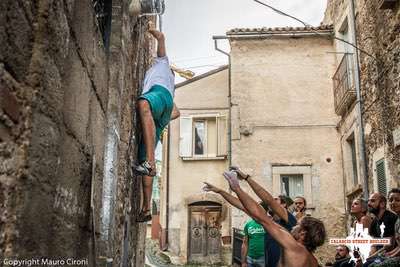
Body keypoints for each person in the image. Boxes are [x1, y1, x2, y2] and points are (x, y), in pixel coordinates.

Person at [222, 170, 325, 267]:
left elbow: (263, 218)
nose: (294, 226)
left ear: (303, 233)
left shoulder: (294, 247)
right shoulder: (313, 260)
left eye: (298, 225)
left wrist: (237, 188)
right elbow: (260, 216)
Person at [135, 22, 180, 222]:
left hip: (158, 97)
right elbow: (176, 112)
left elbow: (161, 38)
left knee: (144, 104)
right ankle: (146, 209)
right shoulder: (171, 87)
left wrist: (149, 28)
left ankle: (151, 163)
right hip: (163, 111)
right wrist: (159, 120)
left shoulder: (162, 65)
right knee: (143, 157)